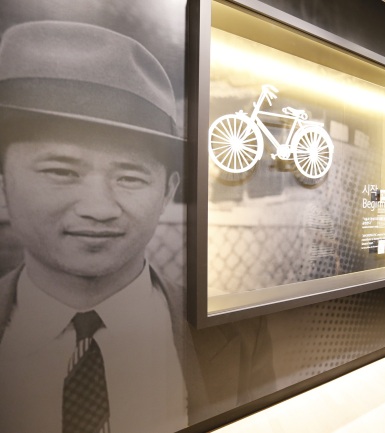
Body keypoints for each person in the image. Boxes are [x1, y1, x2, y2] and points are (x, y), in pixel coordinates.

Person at [0, 20, 274, 432]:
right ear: (4, 183)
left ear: (167, 191)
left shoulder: (239, 336)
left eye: (130, 177)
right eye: (60, 170)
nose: (99, 208)